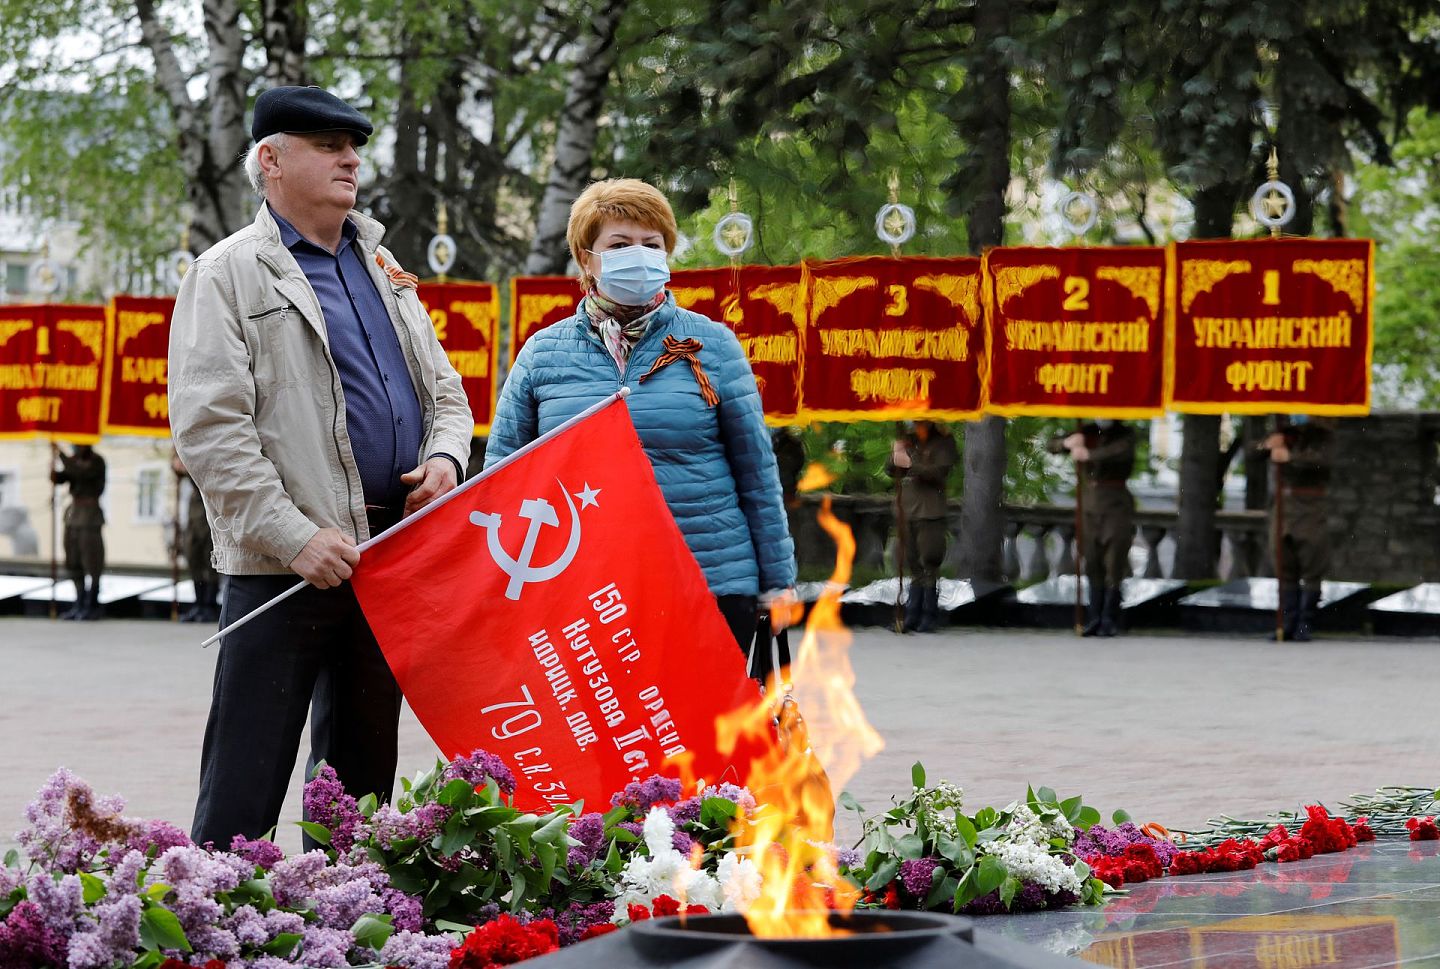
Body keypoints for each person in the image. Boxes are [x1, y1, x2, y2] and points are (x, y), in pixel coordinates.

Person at [169, 86, 472, 848]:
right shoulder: (227, 272)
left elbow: (447, 392)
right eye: (327, 144)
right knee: (246, 784)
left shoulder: (381, 263)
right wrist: (294, 534)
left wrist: (443, 456)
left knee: (359, 790)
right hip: (284, 568)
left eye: (353, 145)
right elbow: (211, 432)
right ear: (270, 161)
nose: (350, 158)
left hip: (387, 560)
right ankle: (217, 936)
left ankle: (345, 934)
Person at [485, 177, 796, 664]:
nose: (640, 254)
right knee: (607, 738)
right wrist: (504, 584)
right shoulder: (542, 353)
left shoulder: (711, 345)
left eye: (652, 244)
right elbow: (502, 479)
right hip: (586, 591)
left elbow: (757, 473)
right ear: (587, 258)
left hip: (709, 579)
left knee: (702, 738)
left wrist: (777, 581)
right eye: (621, 243)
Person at [1050, 420, 1136, 637]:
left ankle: (1109, 616)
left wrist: (1089, 454)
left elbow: (1119, 452)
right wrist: (1067, 442)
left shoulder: (1124, 434)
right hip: (1089, 503)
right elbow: (1051, 445)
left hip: (1115, 502)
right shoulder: (1085, 431)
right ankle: (1094, 616)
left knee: (1114, 557)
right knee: (1091, 557)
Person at [1264, 415, 1334, 642]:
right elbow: (1254, 452)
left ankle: (1305, 622)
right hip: (1284, 510)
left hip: (1310, 510)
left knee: (1312, 566)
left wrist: (1290, 457)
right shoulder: (1284, 434)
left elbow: (1322, 462)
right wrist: (1268, 445)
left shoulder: (1323, 437)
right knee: (1285, 568)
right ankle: (1287, 623)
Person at [885, 420, 957, 633]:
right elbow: (891, 469)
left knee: (929, 561)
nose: (916, 423)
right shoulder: (908, 440)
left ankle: (929, 614)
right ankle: (911, 614)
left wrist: (910, 463)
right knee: (912, 563)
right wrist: (895, 453)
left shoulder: (944, 442)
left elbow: (938, 473)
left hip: (930, 511)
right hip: (907, 509)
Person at [51, 443, 106, 621]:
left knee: (92, 561)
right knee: (73, 560)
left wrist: (61, 455)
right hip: (73, 516)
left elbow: (81, 473)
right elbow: (61, 478)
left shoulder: (97, 462)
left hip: (90, 517)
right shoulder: (73, 462)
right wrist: (52, 468)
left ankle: (92, 605)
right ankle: (79, 603)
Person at [172, 453, 220, 623]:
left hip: (209, 512)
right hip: (194, 514)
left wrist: (186, 466)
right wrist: (178, 464)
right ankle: (199, 604)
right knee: (194, 560)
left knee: (211, 562)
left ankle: (210, 605)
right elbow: (177, 467)